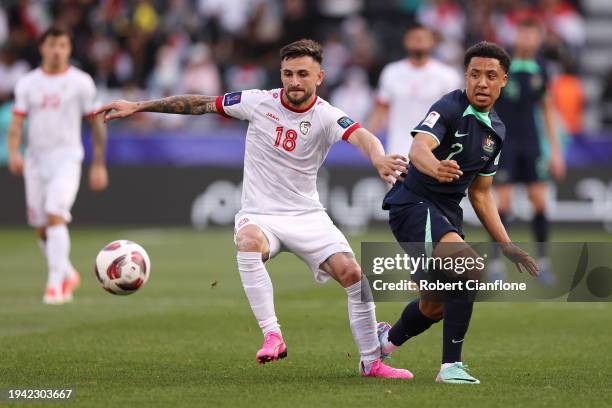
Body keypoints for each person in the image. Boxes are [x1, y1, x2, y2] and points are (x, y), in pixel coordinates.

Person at [96, 39, 413, 379]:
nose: (294, 81)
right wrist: (138, 106)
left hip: (307, 215)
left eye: (303, 74)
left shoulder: (326, 115)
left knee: (355, 276)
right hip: (260, 214)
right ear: (280, 73)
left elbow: (362, 135)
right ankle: (272, 334)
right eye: (288, 73)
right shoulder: (257, 102)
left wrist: (379, 157)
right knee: (247, 241)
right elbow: (199, 104)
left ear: (319, 76)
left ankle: (372, 362)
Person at [377, 41, 539, 384]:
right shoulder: (450, 106)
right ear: (466, 76)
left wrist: (506, 244)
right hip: (413, 205)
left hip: (445, 215)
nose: (481, 82)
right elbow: (419, 147)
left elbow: (481, 194)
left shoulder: (497, 130)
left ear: (504, 81)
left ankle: (381, 347)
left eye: (490, 75)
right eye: (475, 74)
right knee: (470, 268)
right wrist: (436, 169)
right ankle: (450, 366)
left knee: (434, 305)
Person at [7, 26, 108, 305]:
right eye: (51, 45)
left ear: (69, 49)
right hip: (35, 162)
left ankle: (55, 284)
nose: (56, 50)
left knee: (55, 214)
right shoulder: (27, 83)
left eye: (62, 45)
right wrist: (14, 152)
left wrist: (99, 163)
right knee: (41, 227)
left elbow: (97, 122)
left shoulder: (81, 82)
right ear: (42, 47)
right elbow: (17, 124)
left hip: (67, 159)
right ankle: (66, 270)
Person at [491, 19, 566, 284]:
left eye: (533, 36)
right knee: (503, 204)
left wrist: (555, 151)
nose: (527, 41)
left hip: (531, 143)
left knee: (539, 201)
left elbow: (547, 110)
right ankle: (497, 264)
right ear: (516, 37)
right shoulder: (501, 67)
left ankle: (543, 262)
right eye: (523, 35)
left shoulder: (542, 69)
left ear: (539, 39)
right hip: (504, 144)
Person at [368, 23, 461, 164]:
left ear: (432, 42)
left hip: (435, 150)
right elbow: (380, 109)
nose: (418, 40)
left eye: (423, 37)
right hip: (398, 150)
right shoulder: (391, 72)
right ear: (405, 41)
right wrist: (367, 139)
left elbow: (456, 114)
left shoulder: (447, 75)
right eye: (414, 37)